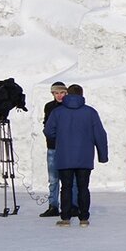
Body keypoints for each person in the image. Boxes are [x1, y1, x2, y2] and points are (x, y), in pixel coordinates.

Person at [42, 84, 107, 227]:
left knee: (66, 187)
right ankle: (83, 218)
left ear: (67, 94)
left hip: (64, 156)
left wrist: (59, 138)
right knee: (83, 187)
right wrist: (103, 156)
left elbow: (48, 131)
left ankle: (65, 218)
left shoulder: (58, 112)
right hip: (84, 157)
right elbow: (100, 135)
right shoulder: (90, 112)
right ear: (81, 94)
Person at [40, 82, 76, 217]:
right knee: (53, 179)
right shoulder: (49, 107)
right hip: (53, 147)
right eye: (56, 93)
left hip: (68, 148)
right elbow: (47, 125)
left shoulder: (71, 106)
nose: (59, 96)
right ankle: (53, 205)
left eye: (62, 93)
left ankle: (73, 205)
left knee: (71, 180)